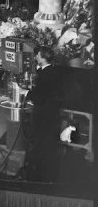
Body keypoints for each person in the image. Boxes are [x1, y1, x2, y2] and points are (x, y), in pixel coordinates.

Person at [25, 47, 62, 182]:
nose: (35, 57)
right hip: (50, 113)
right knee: (45, 142)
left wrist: (26, 93)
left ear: (42, 57)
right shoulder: (50, 70)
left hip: (43, 113)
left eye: (37, 55)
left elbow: (39, 97)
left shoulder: (46, 74)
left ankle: (36, 173)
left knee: (38, 141)